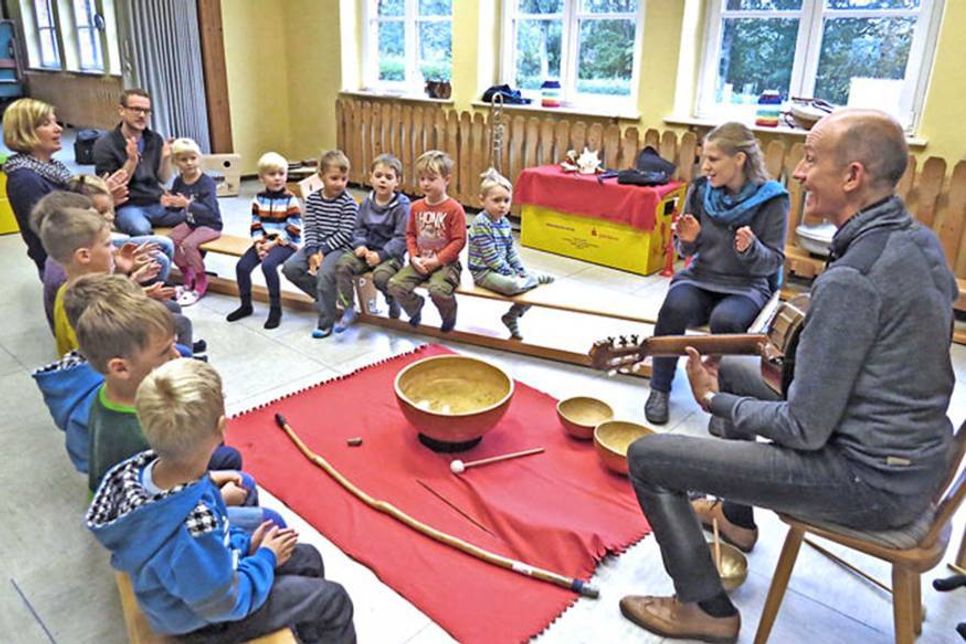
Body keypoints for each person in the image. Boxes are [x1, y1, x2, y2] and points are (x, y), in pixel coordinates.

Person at [621, 109, 958, 643]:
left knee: (649, 459)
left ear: (852, 177)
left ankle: (704, 607)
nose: (799, 173)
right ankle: (737, 519)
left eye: (809, 159)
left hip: (868, 480)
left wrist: (713, 403)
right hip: (915, 458)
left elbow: (805, 427)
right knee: (734, 367)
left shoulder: (855, 279)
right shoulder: (916, 242)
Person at [85, 358, 356, 643]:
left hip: (194, 587)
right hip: (202, 625)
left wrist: (247, 545)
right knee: (333, 600)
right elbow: (225, 602)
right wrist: (266, 556)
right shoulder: (196, 526)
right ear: (222, 427)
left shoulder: (151, 472)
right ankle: (303, 617)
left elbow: (214, 551)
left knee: (308, 556)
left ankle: (301, 626)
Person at [644, 122, 789, 425]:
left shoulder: (773, 199)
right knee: (674, 305)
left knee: (728, 320)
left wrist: (751, 249)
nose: (705, 167)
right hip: (701, 277)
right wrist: (688, 240)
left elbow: (773, 261)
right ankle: (659, 389)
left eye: (713, 159)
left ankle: (722, 400)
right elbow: (684, 254)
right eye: (704, 159)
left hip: (746, 285)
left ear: (739, 159)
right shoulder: (700, 191)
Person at [71, 277, 241, 493]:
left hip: (138, 484)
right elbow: (167, 496)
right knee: (237, 471)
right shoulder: (144, 430)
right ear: (121, 368)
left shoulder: (105, 394)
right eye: (164, 352)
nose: (177, 354)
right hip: (149, 511)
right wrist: (219, 497)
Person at [468, 168, 553, 340]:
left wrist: (519, 268)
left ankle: (512, 316)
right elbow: (490, 256)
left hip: (500, 269)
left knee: (529, 290)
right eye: (496, 200)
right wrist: (510, 272)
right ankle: (533, 277)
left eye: (506, 201)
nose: (502, 205)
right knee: (513, 286)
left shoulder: (505, 223)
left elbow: (510, 250)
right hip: (483, 272)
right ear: (482, 200)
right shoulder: (481, 223)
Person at [387, 150, 466, 332]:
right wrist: (414, 257)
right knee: (395, 285)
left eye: (431, 178)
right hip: (420, 262)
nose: (425, 183)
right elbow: (410, 235)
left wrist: (437, 260)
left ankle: (449, 317)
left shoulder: (454, 209)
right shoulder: (415, 207)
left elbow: (459, 241)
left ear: (446, 179)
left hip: (447, 264)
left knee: (438, 290)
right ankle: (415, 308)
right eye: (422, 178)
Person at [282, 149, 358, 338]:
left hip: (339, 247)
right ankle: (327, 297)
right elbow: (311, 228)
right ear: (321, 176)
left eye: (344, 178)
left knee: (325, 273)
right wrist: (312, 252)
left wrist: (322, 252)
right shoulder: (314, 200)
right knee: (290, 268)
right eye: (334, 178)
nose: (340, 183)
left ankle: (326, 322)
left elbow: (345, 233)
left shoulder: (348, 203)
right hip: (316, 246)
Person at [332, 153, 409, 332]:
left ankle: (392, 300)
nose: (383, 181)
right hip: (366, 251)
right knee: (342, 265)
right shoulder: (366, 203)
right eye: (379, 176)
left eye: (389, 177)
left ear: (397, 182)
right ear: (371, 177)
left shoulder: (402, 206)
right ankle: (348, 307)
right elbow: (358, 229)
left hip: (390, 256)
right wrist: (360, 245)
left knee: (381, 277)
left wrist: (381, 255)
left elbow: (402, 238)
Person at [226, 152, 302, 329]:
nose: (277, 178)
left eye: (281, 174)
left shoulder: (290, 200)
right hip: (264, 242)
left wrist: (273, 244)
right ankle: (246, 305)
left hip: (286, 244)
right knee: (242, 267)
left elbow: (294, 228)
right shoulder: (258, 199)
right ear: (261, 178)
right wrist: (259, 243)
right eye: (272, 174)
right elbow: (255, 224)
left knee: (268, 266)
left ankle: (276, 309)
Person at [93, 88, 180, 237]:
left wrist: (166, 158)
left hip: (156, 200)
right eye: (136, 109)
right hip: (129, 205)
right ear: (122, 110)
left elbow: (163, 179)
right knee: (141, 229)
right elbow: (113, 187)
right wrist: (132, 161)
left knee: (198, 216)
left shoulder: (154, 139)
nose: (142, 115)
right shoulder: (105, 144)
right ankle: (152, 258)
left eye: (146, 111)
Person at [2, 98, 72, 275]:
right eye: (46, 124)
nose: (58, 128)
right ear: (25, 132)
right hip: (63, 262)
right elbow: (53, 234)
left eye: (55, 121)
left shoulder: (52, 168)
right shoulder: (25, 180)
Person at [163, 137, 223, 305]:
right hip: (192, 223)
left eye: (193, 158)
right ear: (176, 162)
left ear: (199, 158)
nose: (189, 163)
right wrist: (169, 203)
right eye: (183, 159)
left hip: (210, 225)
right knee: (169, 241)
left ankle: (201, 278)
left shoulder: (207, 182)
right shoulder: (178, 181)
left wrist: (188, 204)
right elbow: (175, 207)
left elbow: (210, 211)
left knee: (189, 244)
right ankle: (187, 272)